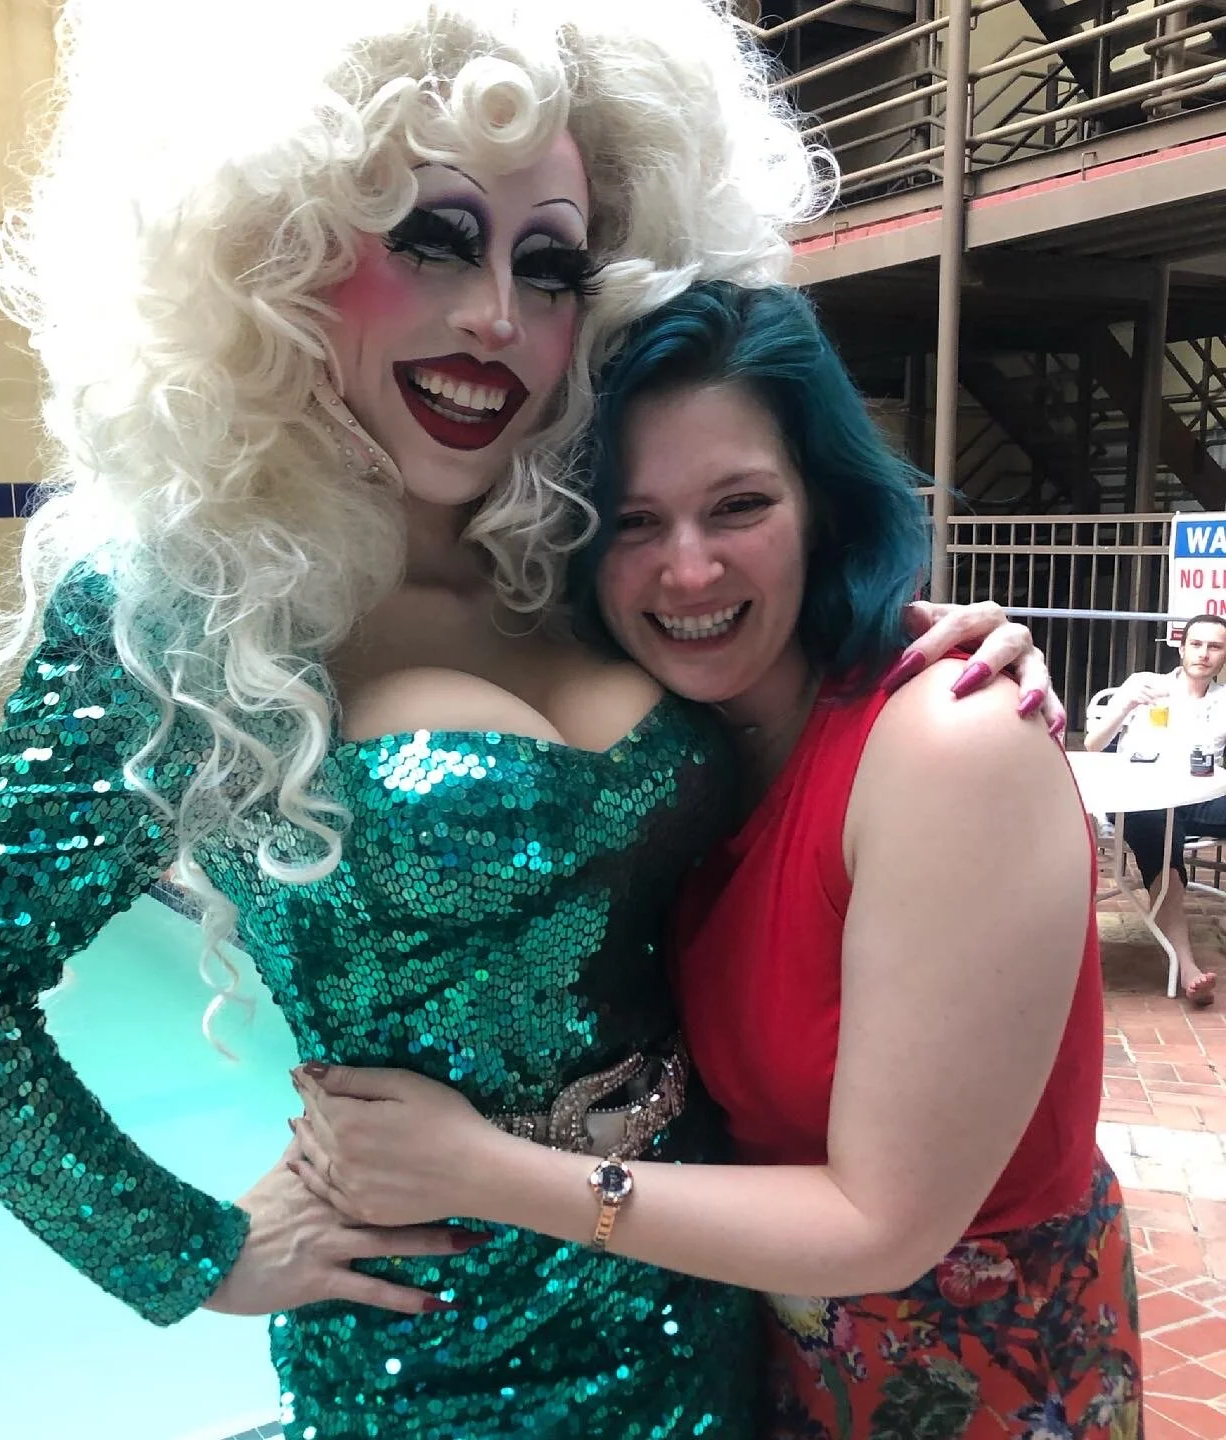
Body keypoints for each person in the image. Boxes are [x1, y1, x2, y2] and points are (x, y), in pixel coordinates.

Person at [0, 5, 1058, 1436]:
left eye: (550, 264)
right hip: (430, 1354)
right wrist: (197, 1254)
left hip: (705, 1293)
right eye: (433, 238)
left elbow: (778, 724)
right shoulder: (184, 612)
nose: (496, 313)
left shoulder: (577, 547)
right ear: (276, 248)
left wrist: (913, 641)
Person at [290, 283, 1141, 1440]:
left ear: (823, 507)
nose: (687, 571)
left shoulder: (950, 743)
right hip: (755, 1358)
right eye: (636, 522)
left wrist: (474, 1170)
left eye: (738, 506)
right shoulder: (690, 760)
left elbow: (888, 1227)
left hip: (974, 1379)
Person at [1084, 612, 1226, 1005]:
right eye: (1196, 644)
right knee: (1164, 851)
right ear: (1181, 648)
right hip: (1141, 799)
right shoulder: (1144, 685)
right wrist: (1125, 705)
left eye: (1215, 647)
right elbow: (1093, 745)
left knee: (1169, 837)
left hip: (1198, 797)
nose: (1204, 654)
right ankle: (1187, 967)